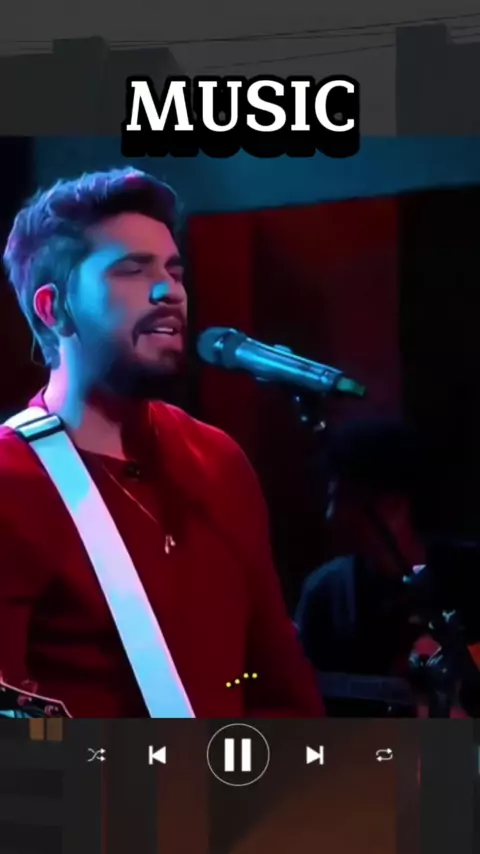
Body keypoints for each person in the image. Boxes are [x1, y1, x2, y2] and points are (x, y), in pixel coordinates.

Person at [0, 167, 323, 718]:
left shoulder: (218, 459)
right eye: (132, 270)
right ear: (54, 309)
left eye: (175, 271)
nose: (169, 290)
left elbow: (278, 680)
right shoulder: (12, 482)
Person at [295, 418, 429, 715]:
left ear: (393, 505)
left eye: (343, 498)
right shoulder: (325, 593)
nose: (331, 515)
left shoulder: (467, 579)